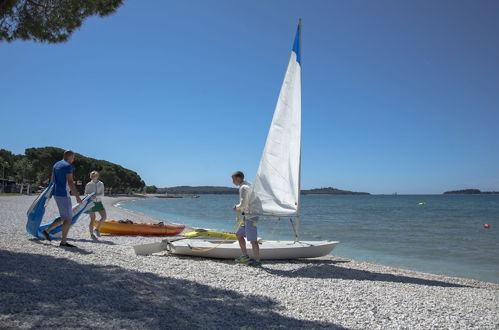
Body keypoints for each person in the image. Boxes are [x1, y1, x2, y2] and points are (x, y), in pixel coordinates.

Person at [41, 150, 82, 247]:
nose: (73, 159)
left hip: (56, 193)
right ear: (69, 157)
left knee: (65, 216)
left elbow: (52, 179)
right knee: (68, 218)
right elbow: (71, 182)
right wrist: (77, 196)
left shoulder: (56, 165)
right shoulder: (67, 166)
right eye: (73, 157)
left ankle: (46, 231)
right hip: (63, 194)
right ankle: (63, 242)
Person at [232, 171, 261, 267]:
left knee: (253, 240)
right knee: (239, 234)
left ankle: (257, 260)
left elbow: (243, 204)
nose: (233, 182)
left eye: (234, 179)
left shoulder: (244, 188)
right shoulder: (248, 185)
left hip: (251, 216)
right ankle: (245, 256)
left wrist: (236, 207)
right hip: (248, 216)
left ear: (239, 179)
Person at [84, 171, 106, 240]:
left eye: (94, 175)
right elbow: (85, 193)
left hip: (99, 202)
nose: (93, 177)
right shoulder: (88, 184)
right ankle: (91, 234)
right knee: (92, 219)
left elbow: (102, 194)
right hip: (91, 203)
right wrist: (90, 196)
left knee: (104, 217)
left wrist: (95, 196)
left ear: (97, 176)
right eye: (92, 175)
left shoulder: (101, 184)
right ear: (90, 176)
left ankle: (97, 229)